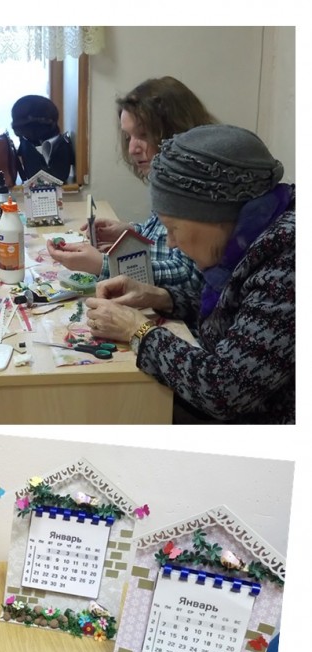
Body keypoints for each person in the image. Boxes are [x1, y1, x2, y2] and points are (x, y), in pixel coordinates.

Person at [83, 124, 295, 425]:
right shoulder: (252, 236)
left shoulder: (288, 259)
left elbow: (224, 390)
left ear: (216, 217)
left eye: (173, 228)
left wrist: (137, 330)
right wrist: (161, 297)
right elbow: (237, 315)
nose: (170, 242)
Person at [46, 76, 218, 289]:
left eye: (144, 135)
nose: (132, 149)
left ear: (177, 131)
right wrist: (131, 232)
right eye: (128, 137)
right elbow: (164, 238)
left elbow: (188, 276)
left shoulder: (200, 187)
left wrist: (104, 265)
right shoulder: (170, 179)